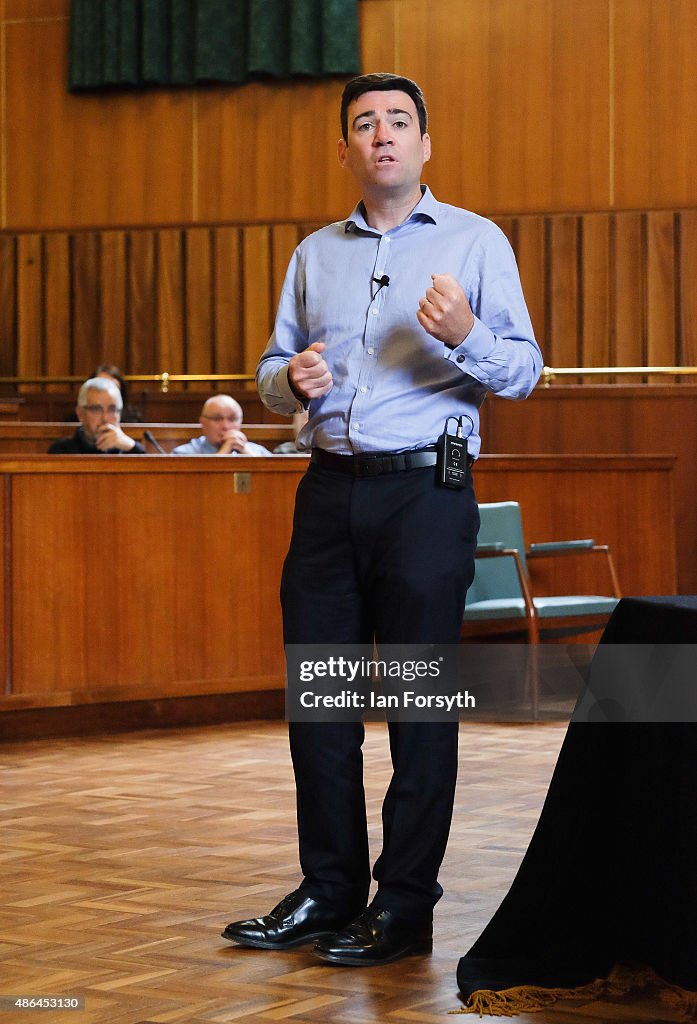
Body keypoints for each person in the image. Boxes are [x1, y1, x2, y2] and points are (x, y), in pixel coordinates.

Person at [222, 73, 542, 966]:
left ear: (424, 145)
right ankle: (329, 889)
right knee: (320, 707)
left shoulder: (476, 242)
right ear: (345, 151)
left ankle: (403, 906)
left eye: (399, 121)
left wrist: (466, 333)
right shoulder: (313, 252)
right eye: (364, 124)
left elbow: (522, 372)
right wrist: (291, 382)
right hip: (328, 490)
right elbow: (271, 365)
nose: (383, 135)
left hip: (425, 495)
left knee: (413, 706)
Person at [48, 377, 145, 454]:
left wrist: (132, 447)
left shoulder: (129, 449)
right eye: (96, 409)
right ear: (80, 413)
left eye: (112, 409)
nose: (105, 418)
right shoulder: (61, 450)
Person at [171, 394, 271, 456]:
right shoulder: (183, 454)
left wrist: (246, 452)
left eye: (232, 419)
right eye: (217, 419)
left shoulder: (259, 452)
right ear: (202, 423)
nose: (226, 426)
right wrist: (224, 452)